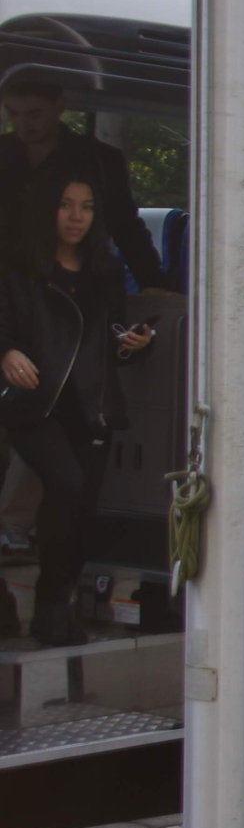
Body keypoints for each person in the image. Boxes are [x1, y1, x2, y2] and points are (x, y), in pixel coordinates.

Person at [0, 174, 155, 645]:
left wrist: (134, 344)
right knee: (65, 485)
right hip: (34, 404)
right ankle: (45, 605)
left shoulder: (104, 270)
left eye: (86, 207)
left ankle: (53, 611)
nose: (76, 217)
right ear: (50, 209)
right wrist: (6, 351)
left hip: (91, 406)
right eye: (66, 205)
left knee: (81, 510)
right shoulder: (21, 266)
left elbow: (111, 336)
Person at [0, 79, 166, 290]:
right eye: (14, 114)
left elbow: (125, 226)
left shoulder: (98, 160)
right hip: (8, 281)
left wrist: (153, 283)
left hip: (77, 282)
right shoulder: (3, 153)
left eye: (34, 114)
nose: (23, 125)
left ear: (59, 106)